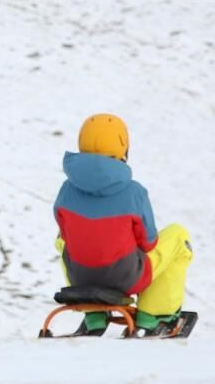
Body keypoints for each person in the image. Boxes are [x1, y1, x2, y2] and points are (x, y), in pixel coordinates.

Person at [53, 113, 192, 335]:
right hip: (125, 278)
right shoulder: (134, 192)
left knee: (64, 241)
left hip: (78, 277)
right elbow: (149, 242)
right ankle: (153, 316)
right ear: (123, 146)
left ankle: (95, 315)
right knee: (177, 237)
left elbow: (65, 234)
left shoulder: (66, 190)